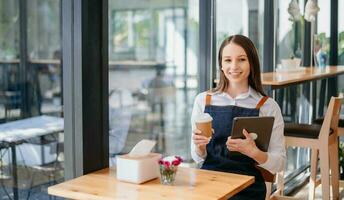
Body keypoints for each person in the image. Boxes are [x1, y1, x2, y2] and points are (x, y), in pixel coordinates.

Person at [191, 35, 286, 200]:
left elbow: (280, 163)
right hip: (208, 184)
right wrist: (199, 147)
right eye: (228, 60)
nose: (234, 66)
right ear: (221, 64)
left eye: (241, 59)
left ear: (252, 63)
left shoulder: (267, 106)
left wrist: (254, 152)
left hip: (248, 189)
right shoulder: (203, 100)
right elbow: (198, 157)